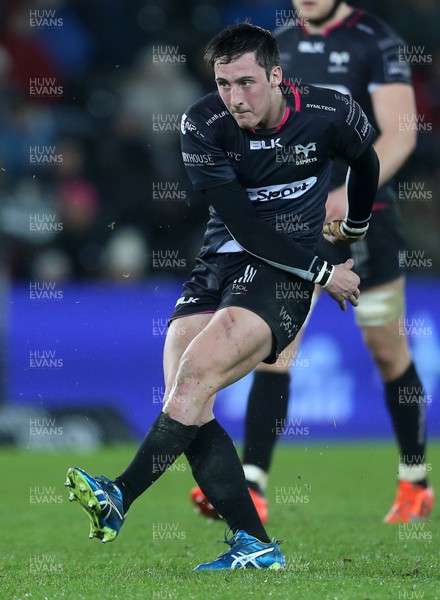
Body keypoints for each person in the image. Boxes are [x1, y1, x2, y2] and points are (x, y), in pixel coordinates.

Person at [65, 22, 379, 570]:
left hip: (283, 273)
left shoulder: (329, 113)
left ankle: (118, 495)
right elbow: (242, 223)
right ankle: (255, 546)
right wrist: (329, 272)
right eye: (223, 83)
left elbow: (367, 164)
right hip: (221, 263)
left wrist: (349, 231)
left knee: (192, 381)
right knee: (186, 396)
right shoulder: (204, 123)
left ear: (276, 76)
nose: (234, 97)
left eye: (247, 82)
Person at [190, 1, 434, 526]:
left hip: (366, 218)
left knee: (387, 350)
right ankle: (252, 484)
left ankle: (415, 478)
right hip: (297, 220)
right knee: (276, 349)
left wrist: (350, 194)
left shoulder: (376, 39)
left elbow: (400, 132)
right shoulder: (275, 43)